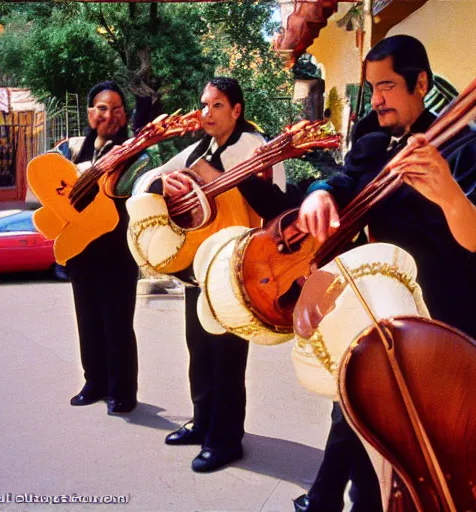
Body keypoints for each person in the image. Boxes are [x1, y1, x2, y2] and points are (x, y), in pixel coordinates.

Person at [292, 35, 476, 511]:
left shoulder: (462, 145)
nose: (375, 100)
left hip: (445, 322)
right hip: (378, 311)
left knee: (424, 449)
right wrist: (319, 192)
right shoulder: (374, 141)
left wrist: (450, 196)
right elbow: (342, 179)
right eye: (372, 87)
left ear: (422, 83)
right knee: (357, 415)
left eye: (387, 86)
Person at [148, 76, 291, 473]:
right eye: (204, 105)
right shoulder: (200, 148)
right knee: (200, 350)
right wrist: (166, 181)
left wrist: (228, 179)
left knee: (227, 356)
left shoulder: (255, 147)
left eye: (216, 106)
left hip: (236, 270)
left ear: (237, 110)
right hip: (199, 265)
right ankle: (203, 421)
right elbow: (155, 177)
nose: (206, 113)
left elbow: (276, 205)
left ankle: (226, 439)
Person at [55, 81, 142, 416]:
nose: (110, 115)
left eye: (117, 108)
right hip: (81, 250)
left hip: (117, 251)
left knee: (117, 323)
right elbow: (53, 190)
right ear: (91, 113)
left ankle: (122, 391)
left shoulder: (136, 151)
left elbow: (134, 189)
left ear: (125, 114)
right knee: (87, 319)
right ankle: (95, 383)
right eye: (102, 108)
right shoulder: (73, 150)